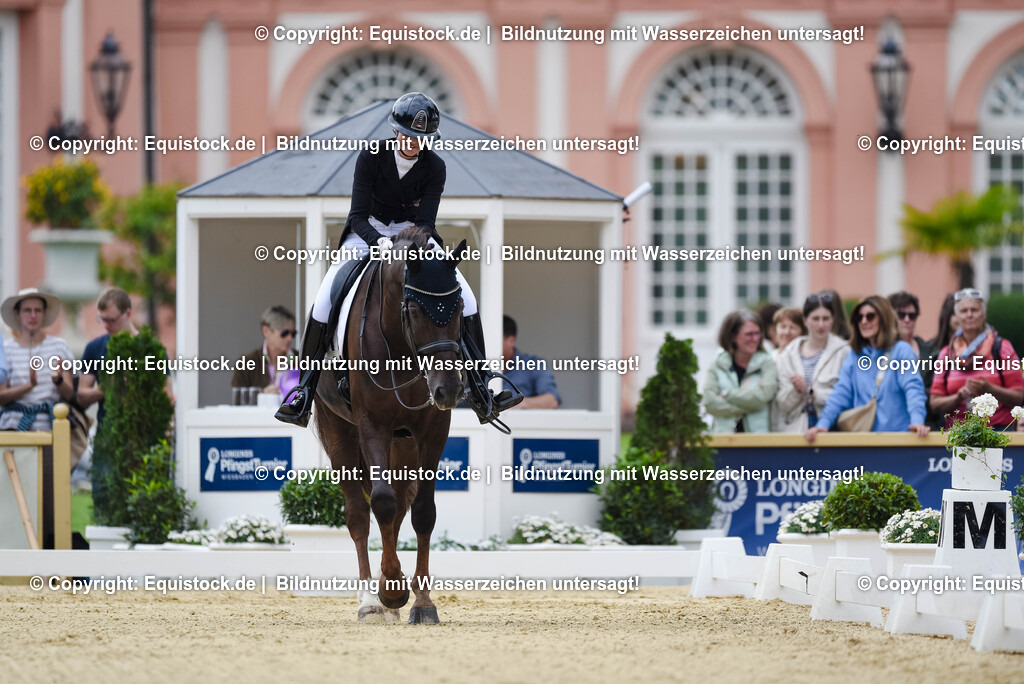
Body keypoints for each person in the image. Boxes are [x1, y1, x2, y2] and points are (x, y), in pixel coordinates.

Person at [275, 92, 522, 427]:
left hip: (414, 236)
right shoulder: (371, 156)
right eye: (408, 136)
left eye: (421, 139)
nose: (412, 143)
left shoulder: (436, 166)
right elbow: (358, 215)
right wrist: (379, 244)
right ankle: (304, 391)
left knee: (467, 296)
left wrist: (410, 244)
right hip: (367, 233)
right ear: (396, 131)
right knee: (324, 299)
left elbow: (427, 223)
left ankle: (482, 389)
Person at [805, 295, 929, 441]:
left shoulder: (902, 350)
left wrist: (917, 421)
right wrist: (823, 424)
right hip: (864, 442)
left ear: (883, 318)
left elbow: (913, 389)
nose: (864, 321)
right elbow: (841, 393)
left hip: (898, 440)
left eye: (870, 316)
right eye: (859, 317)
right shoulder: (855, 355)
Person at [928, 288, 1024, 429]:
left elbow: (1019, 396)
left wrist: (989, 388)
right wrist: (958, 397)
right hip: (958, 433)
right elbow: (935, 403)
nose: (969, 315)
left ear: (984, 314)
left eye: (974, 310)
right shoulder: (946, 354)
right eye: (964, 311)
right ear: (957, 316)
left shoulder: (1002, 348)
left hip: (998, 431)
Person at [774, 293, 851, 433]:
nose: (821, 324)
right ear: (805, 320)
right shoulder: (788, 354)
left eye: (826, 318)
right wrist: (797, 391)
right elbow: (782, 404)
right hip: (794, 431)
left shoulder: (844, 352)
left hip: (832, 430)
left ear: (833, 320)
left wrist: (812, 392)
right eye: (815, 318)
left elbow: (848, 398)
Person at [0, 289, 74, 431]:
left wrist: (58, 381)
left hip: (51, 428)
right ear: (17, 314)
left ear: (44, 313)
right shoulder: (6, 350)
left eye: (38, 310)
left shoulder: (60, 347)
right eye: (27, 310)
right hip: (13, 428)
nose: (33, 315)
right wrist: (29, 386)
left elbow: (69, 394)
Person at [703, 310, 779, 433]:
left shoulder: (768, 363)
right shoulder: (717, 364)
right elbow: (709, 402)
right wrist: (750, 404)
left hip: (757, 441)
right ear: (733, 336)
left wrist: (726, 394)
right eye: (749, 334)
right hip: (724, 440)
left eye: (757, 333)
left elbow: (763, 397)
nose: (755, 339)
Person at [76, 287, 139, 425]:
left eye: (111, 320)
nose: (105, 325)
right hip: (107, 434)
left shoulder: (149, 348)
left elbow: (166, 394)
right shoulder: (94, 347)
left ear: (127, 313)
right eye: (102, 320)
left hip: (143, 432)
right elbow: (81, 396)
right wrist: (106, 388)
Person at [232, 305, 298, 397]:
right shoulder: (245, 363)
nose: (290, 338)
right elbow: (238, 401)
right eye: (284, 333)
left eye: (293, 334)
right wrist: (262, 396)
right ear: (266, 331)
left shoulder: (302, 360)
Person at [501, 315, 560, 409]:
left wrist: (516, 404)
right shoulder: (475, 365)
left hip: (518, 423)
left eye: (493, 339)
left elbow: (551, 401)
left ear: (511, 340)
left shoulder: (534, 365)